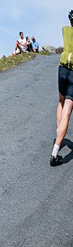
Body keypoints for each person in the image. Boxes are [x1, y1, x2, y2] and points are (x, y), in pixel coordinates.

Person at [51, 10, 73, 166]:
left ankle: (59, 135)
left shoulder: (65, 29)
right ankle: (55, 153)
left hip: (62, 69)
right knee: (68, 109)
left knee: (60, 101)